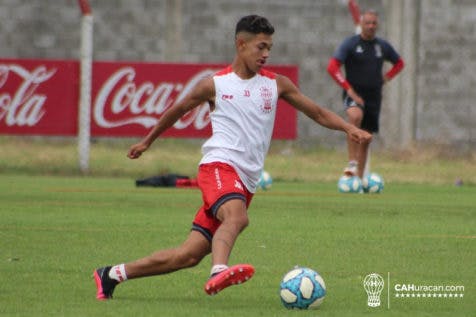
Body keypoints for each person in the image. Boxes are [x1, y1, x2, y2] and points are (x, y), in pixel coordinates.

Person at [93, 14, 372, 300]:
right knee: (237, 218)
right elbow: (178, 110)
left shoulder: (277, 85)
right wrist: (147, 141)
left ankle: (111, 274)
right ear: (241, 44)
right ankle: (218, 271)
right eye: (260, 47)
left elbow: (317, 112)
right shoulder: (214, 84)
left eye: (269, 48)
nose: (266, 54)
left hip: (245, 180)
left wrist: (349, 128)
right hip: (218, 166)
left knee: (187, 256)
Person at [327, 9, 404, 178]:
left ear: (377, 25)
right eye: (367, 23)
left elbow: (399, 63)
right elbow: (332, 67)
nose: (370, 26)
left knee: (366, 138)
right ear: (361, 24)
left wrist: (386, 78)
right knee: (354, 117)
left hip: (374, 97)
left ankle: (359, 180)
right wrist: (348, 89)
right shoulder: (350, 44)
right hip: (354, 94)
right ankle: (352, 162)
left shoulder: (382, 46)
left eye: (373, 23)